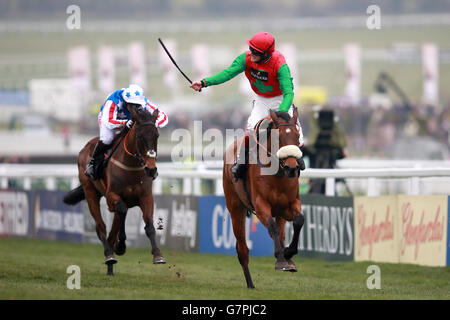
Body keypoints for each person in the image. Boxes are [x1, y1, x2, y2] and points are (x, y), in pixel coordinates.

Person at [190, 31, 305, 180]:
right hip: (262, 100)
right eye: (250, 49)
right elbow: (228, 73)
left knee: (298, 134)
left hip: (281, 100)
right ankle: (240, 162)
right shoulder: (246, 58)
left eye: (255, 52)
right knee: (251, 128)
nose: (251, 53)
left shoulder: (279, 64)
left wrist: (280, 114)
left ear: (266, 54)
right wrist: (204, 82)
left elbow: (289, 93)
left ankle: (297, 157)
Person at [85, 84, 168, 180]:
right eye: (132, 105)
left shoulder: (143, 101)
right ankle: (93, 163)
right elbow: (109, 122)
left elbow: (164, 117)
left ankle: (149, 163)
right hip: (109, 119)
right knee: (107, 139)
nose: (135, 108)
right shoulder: (113, 101)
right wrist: (125, 123)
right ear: (125, 101)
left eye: (137, 105)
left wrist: (152, 124)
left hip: (130, 119)